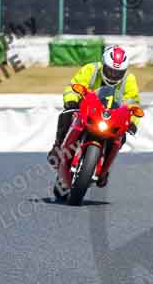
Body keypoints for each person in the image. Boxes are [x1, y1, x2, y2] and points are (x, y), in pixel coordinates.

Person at [47, 45, 141, 185]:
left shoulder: (129, 80)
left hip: (111, 116)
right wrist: (71, 101)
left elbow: (133, 103)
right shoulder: (91, 69)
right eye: (110, 70)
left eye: (118, 72)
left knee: (120, 137)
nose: (113, 75)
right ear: (103, 65)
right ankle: (57, 147)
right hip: (87, 110)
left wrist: (132, 121)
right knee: (66, 114)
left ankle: (104, 169)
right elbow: (73, 86)